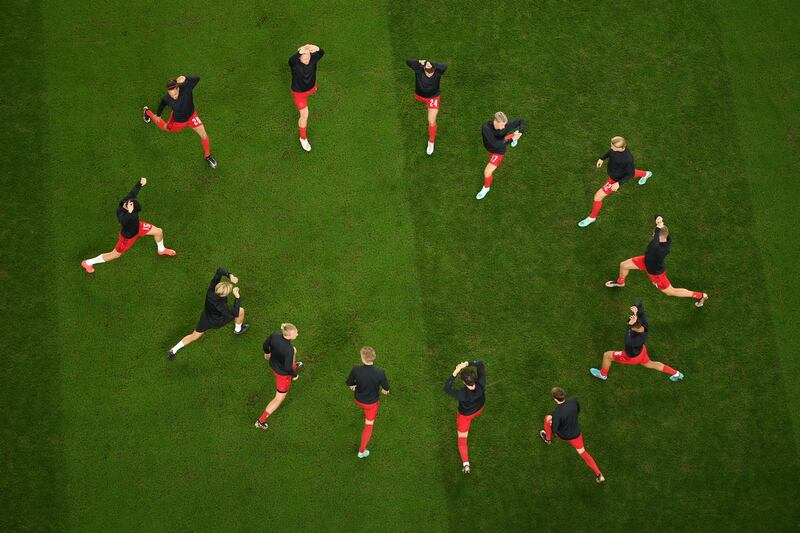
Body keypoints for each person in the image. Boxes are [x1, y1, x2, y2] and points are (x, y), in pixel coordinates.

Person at [605, 215, 708, 307]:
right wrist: (658, 218)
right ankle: (620, 282)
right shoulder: (667, 238)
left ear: (659, 237)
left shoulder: (660, 250)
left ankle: (700, 296)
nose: (652, 235)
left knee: (670, 291)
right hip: (645, 261)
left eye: (654, 234)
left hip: (655, 273)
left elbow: (654, 245)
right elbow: (661, 233)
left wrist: (657, 230)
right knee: (623, 265)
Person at [81, 178, 175, 273]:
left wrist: (140, 183)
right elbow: (124, 221)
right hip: (128, 237)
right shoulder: (121, 212)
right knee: (115, 254)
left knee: (159, 231)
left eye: (130, 203)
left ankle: (161, 250)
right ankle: (88, 263)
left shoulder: (130, 209)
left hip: (139, 227)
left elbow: (133, 193)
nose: (127, 203)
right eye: (128, 203)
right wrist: (130, 212)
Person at [590, 301, 685, 382]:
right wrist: (636, 309)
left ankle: (603, 375)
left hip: (631, 357)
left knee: (607, 355)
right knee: (650, 363)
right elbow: (641, 308)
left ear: (634, 327)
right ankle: (676, 373)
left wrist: (629, 326)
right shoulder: (645, 327)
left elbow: (627, 339)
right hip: (642, 352)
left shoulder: (631, 341)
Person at [167, 268, 249, 359]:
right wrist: (237, 297)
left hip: (206, 318)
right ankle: (238, 330)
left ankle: (173, 350)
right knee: (241, 311)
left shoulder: (211, 290)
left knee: (194, 336)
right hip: (217, 321)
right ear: (224, 295)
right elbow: (233, 314)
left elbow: (220, 271)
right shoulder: (221, 305)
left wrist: (230, 275)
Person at [143, 76, 217, 168]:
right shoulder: (167, 98)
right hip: (178, 121)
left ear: (178, 88)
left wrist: (186, 78)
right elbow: (162, 104)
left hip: (192, 116)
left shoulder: (186, 88)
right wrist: (158, 115)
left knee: (204, 135)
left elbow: (197, 78)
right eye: (170, 95)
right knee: (165, 128)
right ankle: (147, 112)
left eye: (174, 94)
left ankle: (207, 155)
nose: (173, 97)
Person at [578, 136, 652, 227]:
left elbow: (630, 174)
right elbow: (611, 152)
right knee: (629, 170)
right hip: (618, 172)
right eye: (611, 146)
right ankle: (646, 174)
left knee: (598, 196)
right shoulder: (616, 149)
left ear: (621, 148)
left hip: (615, 179)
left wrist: (618, 183)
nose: (611, 148)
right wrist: (602, 158)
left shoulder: (628, 159)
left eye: (613, 147)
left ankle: (592, 217)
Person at [539, 387, 605, 483]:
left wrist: (556, 430)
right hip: (576, 434)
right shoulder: (573, 400)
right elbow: (578, 410)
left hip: (564, 436)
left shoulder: (557, 413)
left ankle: (548, 439)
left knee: (547, 418)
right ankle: (599, 474)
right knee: (583, 453)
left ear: (555, 399)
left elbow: (555, 430)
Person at [255, 323, 303, 429]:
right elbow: (287, 369)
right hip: (283, 375)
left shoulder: (274, 336)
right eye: (296, 333)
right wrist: (294, 375)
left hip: (273, 364)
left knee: (294, 350)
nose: (297, 334)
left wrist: (267, 353)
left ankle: (294, 366)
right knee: (279, 398)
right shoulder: (288, 350)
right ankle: (260, 421)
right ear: (289, 335)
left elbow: (265, 345)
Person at [346, 346, 390, 459]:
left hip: (358, 400)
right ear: (373, 358)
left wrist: (352, 386)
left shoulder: (356, 369)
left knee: (366, 410)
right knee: (369, 425)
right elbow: (386, 388)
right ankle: (362, 451)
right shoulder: (380, 372)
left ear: (362, 358)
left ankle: (362, 450)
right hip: (371, 405)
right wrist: (385, 391)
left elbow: (349, 382)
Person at [444, 360, 486, 473]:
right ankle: (466, 465)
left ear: (463, 382)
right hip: (479, 408)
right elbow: (480, 364)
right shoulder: (481, 383)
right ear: (475, 378)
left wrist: (456, 371)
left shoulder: (462, 394)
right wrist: (467, 363)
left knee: (462, 441)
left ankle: (466, 465)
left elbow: (447, 388)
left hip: (465, 417)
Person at [476, 112, 525, 200]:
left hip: (498, 151)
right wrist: (512, 139)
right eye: (502, 125)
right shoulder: (486, 128)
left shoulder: (504, 125)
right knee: (503, 140)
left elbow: (521, 121)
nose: (503, 127)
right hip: (493, 147)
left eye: (505, 125)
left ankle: (486, 188)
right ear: (496, 121)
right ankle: (514, 136)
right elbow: (494, 143)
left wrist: (520, 132)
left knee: (487, 172)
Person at [405, 58, 447, 155]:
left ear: (434, 69)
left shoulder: (438, 71)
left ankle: (431, 142)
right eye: (427, 68)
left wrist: (433, 63)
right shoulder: (418, 68)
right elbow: (408, 61)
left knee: (431, 121)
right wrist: (420, 62)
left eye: (430, 68)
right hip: (420, 96)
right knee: (431, 120)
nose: (429, 73)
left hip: (433, 98)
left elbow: (444, 66)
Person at [289, 44, 324, 152]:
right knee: (304, 115)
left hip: (311, 88)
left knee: (313, 88)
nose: (307, 59)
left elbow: (321, 53)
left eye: (308, 56)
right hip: (299, 93)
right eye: (304, 57)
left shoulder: (312, 59)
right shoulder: (295, 64)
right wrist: (300, 51)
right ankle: (303, 138)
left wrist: (316, 48)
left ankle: (313, 89)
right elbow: (291, 60)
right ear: (299, 58)